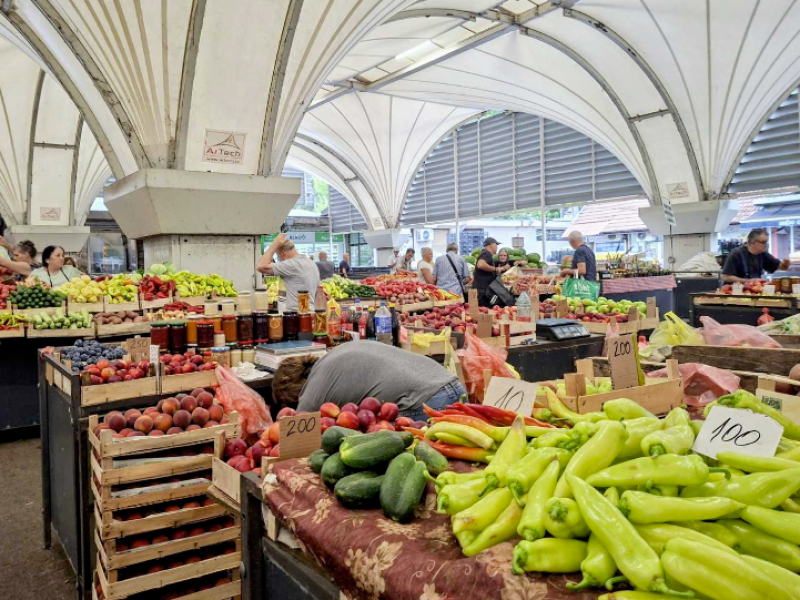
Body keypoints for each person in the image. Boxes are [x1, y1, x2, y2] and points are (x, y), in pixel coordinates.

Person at [272, 340, 467, 421]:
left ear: (289, 392)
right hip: (453, 386)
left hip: (426, 402)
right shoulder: (335, 354)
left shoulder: (310, 394)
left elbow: (297, 438)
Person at [257, 232, 320, 311]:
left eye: (278, 255)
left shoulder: (290, 265)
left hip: (295, 314)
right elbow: (318, 292)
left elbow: (261, 266)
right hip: (309, 311)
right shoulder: (311, 263)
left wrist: (274, 245)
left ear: (282, 254)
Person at [722, 228, 790, 283]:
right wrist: (749, 281)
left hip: (754, 291)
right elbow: (726, 277)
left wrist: (785, 264)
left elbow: (781, 267)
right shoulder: (736, 254)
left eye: (766, 242)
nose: (766, 245)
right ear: (752, 242)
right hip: (737, 293)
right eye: (763, 242)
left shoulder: (762, 254)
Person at [474, 237, 509, 306]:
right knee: (484, 310)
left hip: (482, 290)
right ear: (492, 245)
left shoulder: (485, 254)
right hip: (483, 291)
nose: (497, 247)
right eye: (496, 245)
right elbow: (480, 264)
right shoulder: (486, 253)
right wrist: (496, 269)